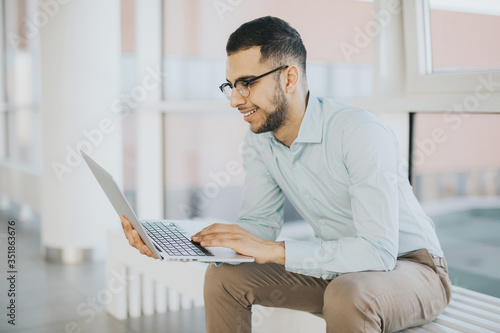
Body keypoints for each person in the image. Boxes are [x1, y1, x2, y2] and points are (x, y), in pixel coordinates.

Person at [121, 16, 451, 333]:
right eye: (231, 85)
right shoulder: (260, 140)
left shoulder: (359, 132)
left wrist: (278, 250)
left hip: (410, 267)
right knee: (223, 278)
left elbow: (378, 251)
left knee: (347, 295)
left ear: (289, 78)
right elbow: (258, 229)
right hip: (340, 269)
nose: (235, 100)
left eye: (247, 84)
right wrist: (182, 248)